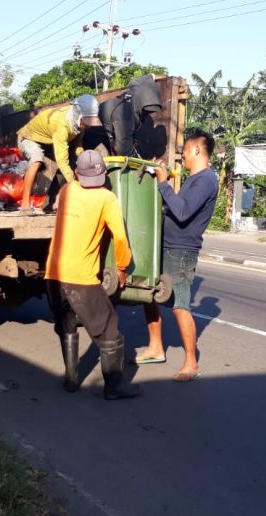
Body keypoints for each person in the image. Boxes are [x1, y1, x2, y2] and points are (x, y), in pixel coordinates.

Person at [45, 149, 141, 400]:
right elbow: (120, 237)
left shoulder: (67, 190)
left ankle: (71, 379)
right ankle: (114, 386)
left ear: (77, 173)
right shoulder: (106, 198)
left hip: (53, 275)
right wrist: (122, 267)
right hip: (81, 278)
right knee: (108, 328)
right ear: (103, 174)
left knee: (66, 323)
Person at [134, 130, 219, 381]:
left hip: (181, 250)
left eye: (185, 151)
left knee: (180, 305)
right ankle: (155, 347)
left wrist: (163, 183)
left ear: (197, 150)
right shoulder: (195, 179)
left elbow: (182, 212)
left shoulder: (206, 180)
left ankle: (191, 363)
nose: (182, 156)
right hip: (167, 245)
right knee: (149, 295)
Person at [16, 94, 101, 213]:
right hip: (28, 138)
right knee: (37, 158)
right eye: (86, 122)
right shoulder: (61, 124)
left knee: (71, 163)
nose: (87, 126)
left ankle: (52, 204)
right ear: (78, 115)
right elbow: (62, 161)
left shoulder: (79, 124)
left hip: (49, 141)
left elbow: (77, 145)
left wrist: (82, 158)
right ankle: (25, 205)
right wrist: (76, 186)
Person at [97, 74, 162, 156]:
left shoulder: (135, 90)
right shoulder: (125, 111)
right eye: (146, 110)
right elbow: (123, 150)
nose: (147, 113)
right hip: (97, 137)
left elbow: (133, 82)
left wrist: (153, 76)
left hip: (110, 131)